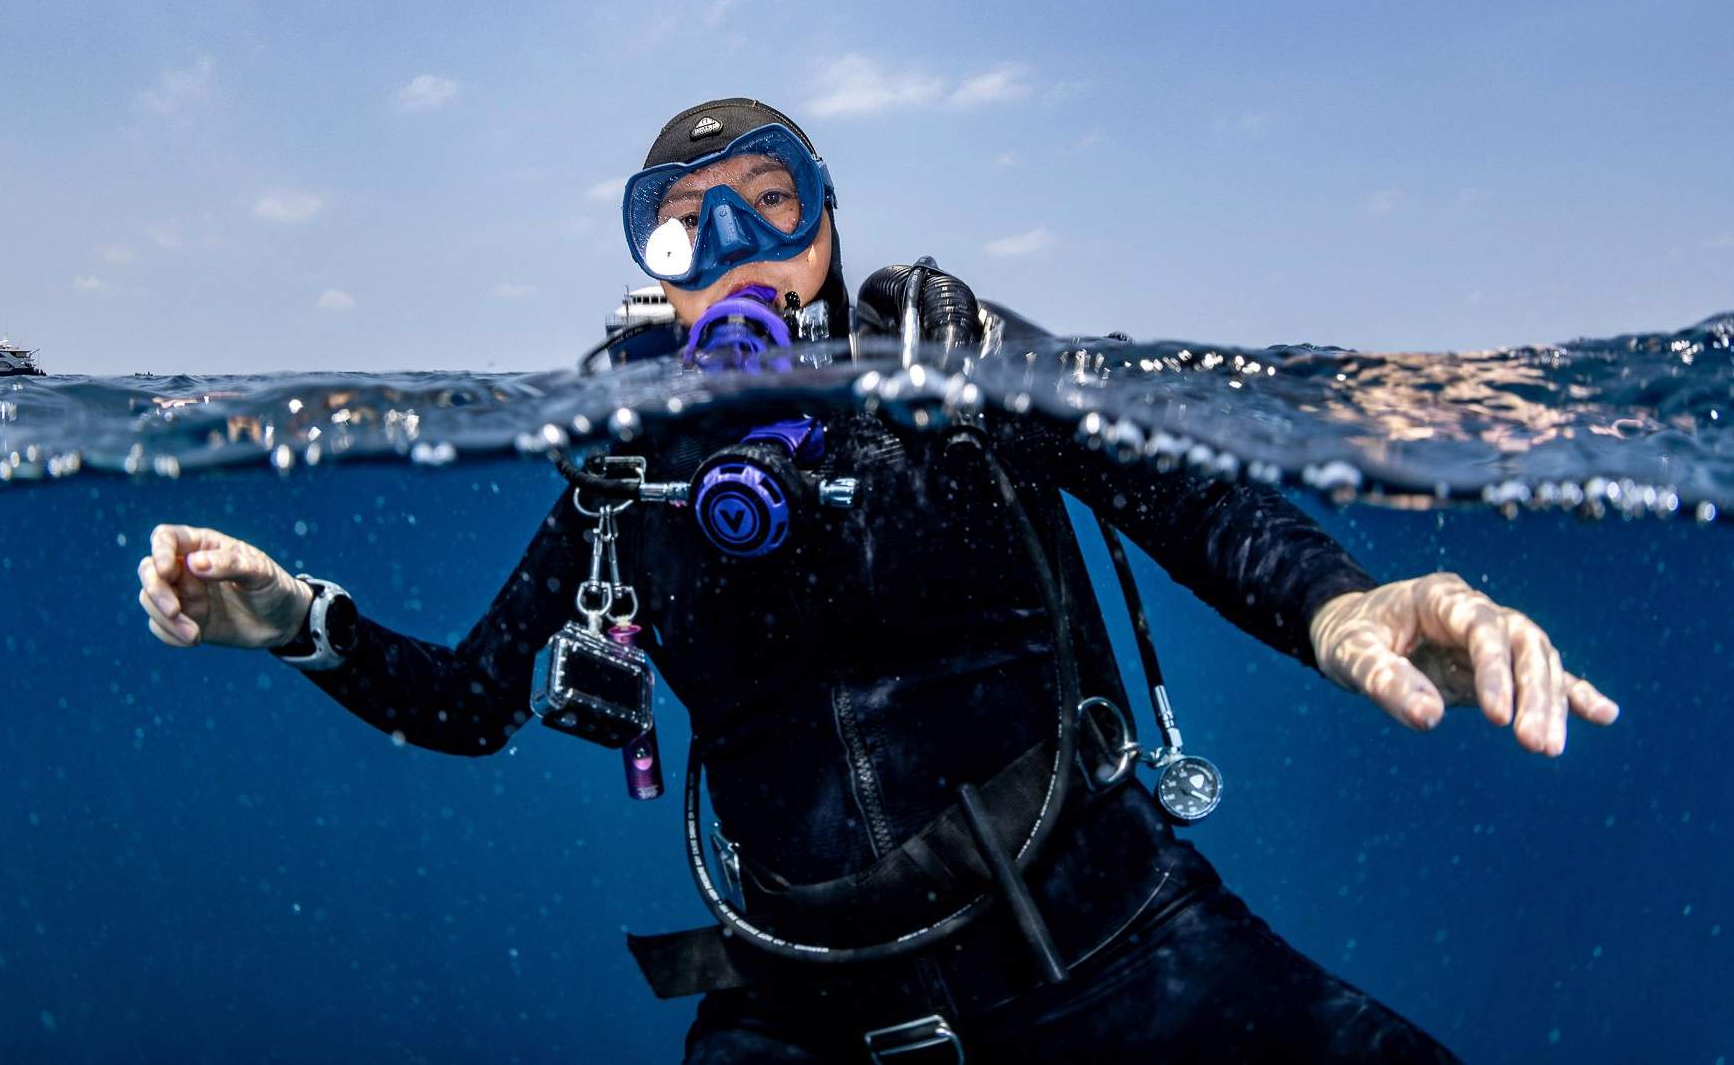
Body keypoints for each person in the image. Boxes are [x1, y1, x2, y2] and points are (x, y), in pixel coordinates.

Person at [134, 98, 1619, 1062]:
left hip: (1109, 932)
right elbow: (473, 701)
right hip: (799, 1008)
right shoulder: (624, 470)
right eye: (681, 220)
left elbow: (1180, 487)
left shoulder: (950, 361)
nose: (730, 249)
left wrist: (1336, 601)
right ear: (652, 270)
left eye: (768, 202)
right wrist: (294, 621)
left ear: (830, 227)